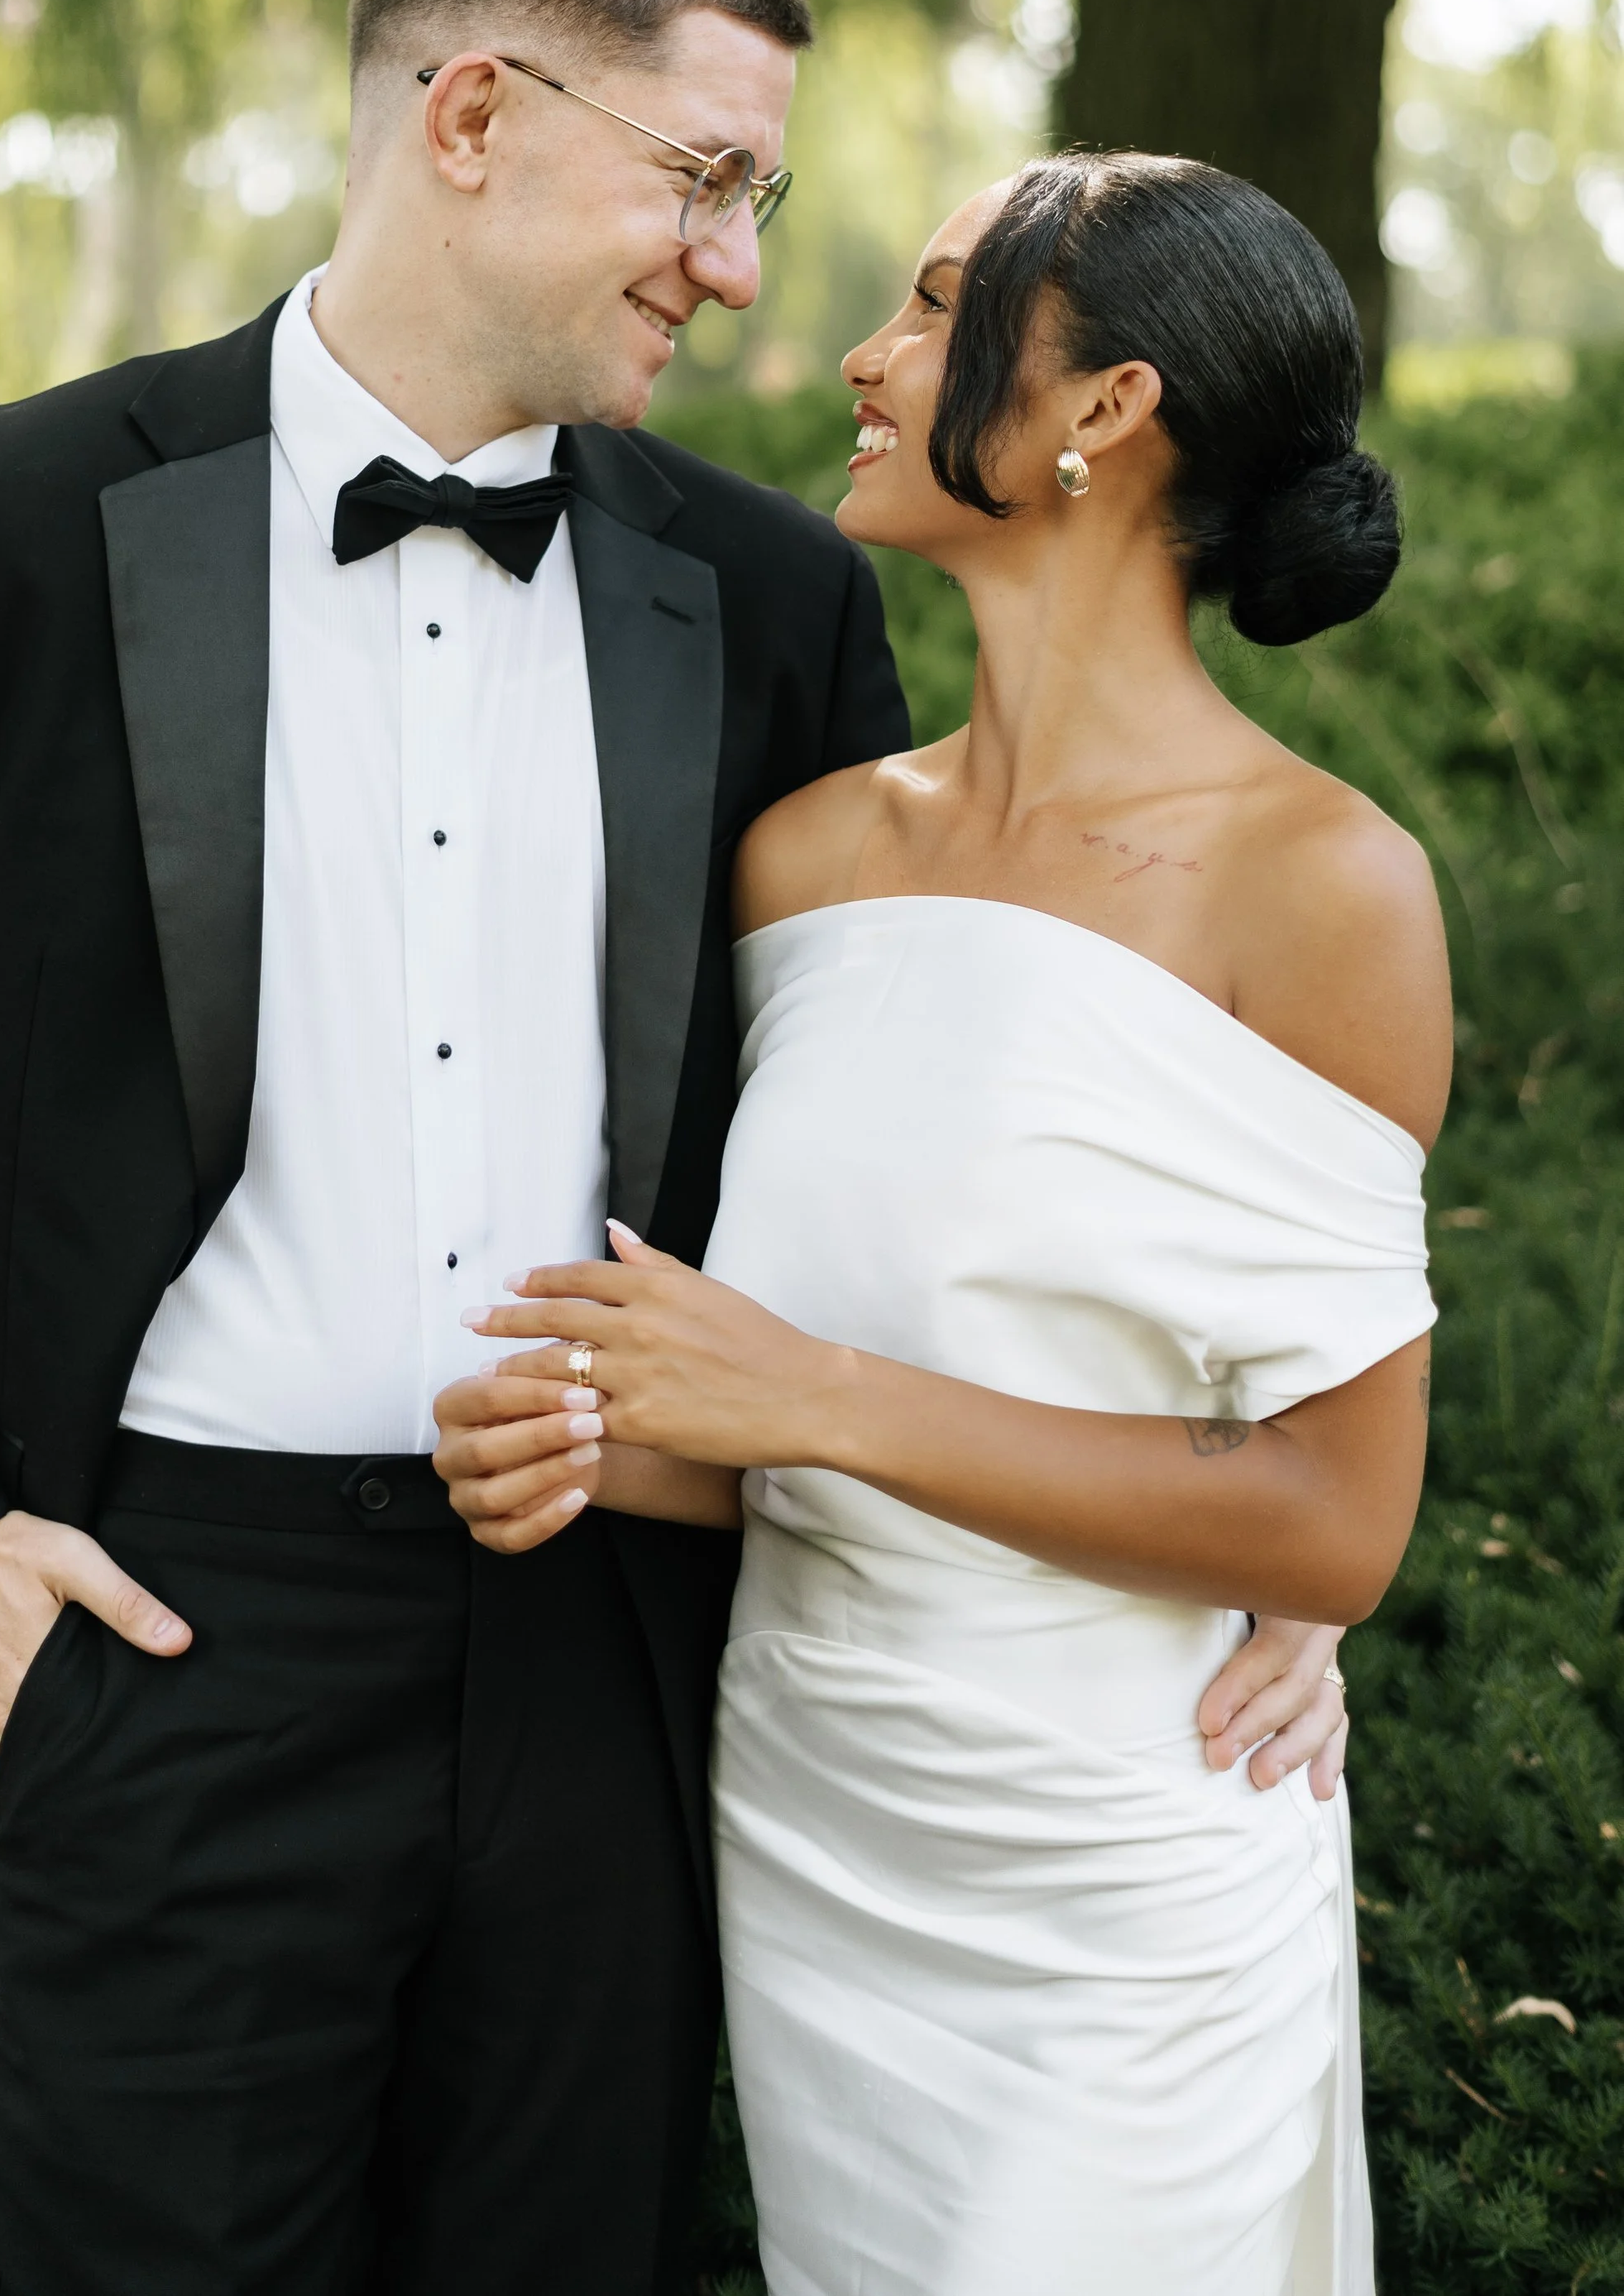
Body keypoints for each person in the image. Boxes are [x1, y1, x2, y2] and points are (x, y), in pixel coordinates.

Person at [0, 0, 1348, 2290]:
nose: (743, 272)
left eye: (755, 201)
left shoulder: (762, 599)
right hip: (157, 1638)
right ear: (472, 117)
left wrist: (1221, 1519)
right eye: (704, 177)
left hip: (612, 1661)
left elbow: (911, 1122)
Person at [434, 152, 1448, 2294]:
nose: (866, 358)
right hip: (818, 1834)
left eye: (927, 308)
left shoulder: (1320, 885)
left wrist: (803, 1392)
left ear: (1102, 410)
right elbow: (796, 1415)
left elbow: (1329, 1522)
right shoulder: (803, 860)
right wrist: (598, 1443)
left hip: (1122, 1863)